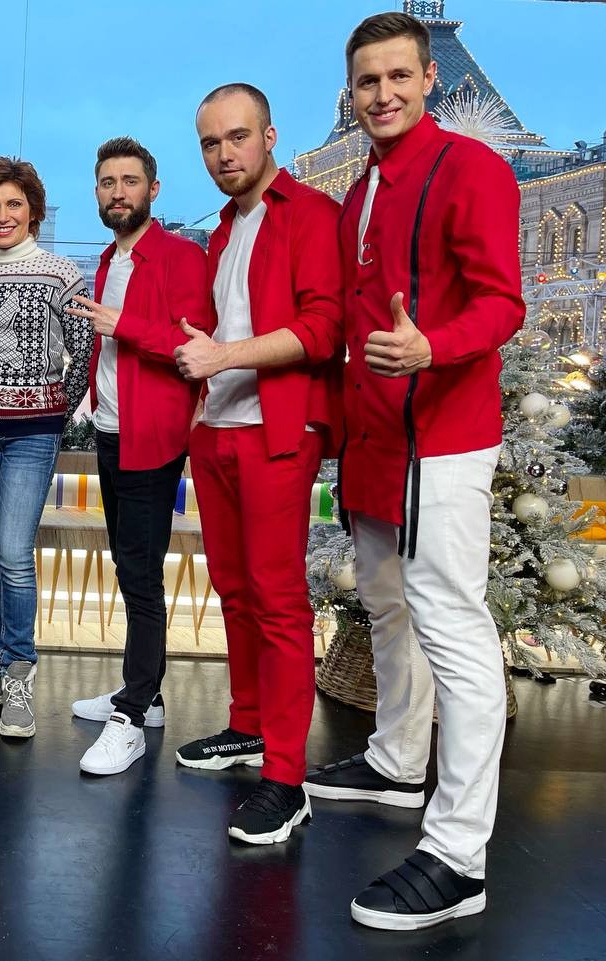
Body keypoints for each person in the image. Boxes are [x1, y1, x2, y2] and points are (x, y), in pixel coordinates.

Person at [303, 12, 524, 929]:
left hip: (443, 436)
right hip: (372, 440)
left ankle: (459, 854)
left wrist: (433, 345)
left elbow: (505, 303)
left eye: (399, 76)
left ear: (431, 78)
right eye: (368, 81)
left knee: (454, 629)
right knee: (386, 605)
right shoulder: (360, 190)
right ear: (351, 92)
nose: (383, 94)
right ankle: (397, 761)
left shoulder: (474, 169)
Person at [171, 85, 343, 842]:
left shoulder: (311, 214)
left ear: (270, 136)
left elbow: (324, 327)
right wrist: (202, 395)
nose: (224, 154)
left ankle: (286, 776)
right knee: (235, 590)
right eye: (210, 143)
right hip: (217, 431)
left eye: (237, 137)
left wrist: (224, 357)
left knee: (278, 602)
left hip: (279, 429)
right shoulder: (221, 230)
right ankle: (247, 726)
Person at [64, 137, 209, 775]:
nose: (117, 193)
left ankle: (130, 717)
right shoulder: (107, 260)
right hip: (111, 432)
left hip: (153, 437)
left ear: (154, 189)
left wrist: (120, 323)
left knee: (142, 575)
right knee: (129, 568)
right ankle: (143, 695)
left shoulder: (181, 256)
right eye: (107, 183)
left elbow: (192, 343)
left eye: (129, 182)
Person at [0, 157, 94, 739]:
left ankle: (19, 670)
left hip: (33, 431)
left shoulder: (62, 274)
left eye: (14, 204)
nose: (2, 215)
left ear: (33, 210)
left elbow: (83, 352)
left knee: (13, 552)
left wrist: (54, 410)